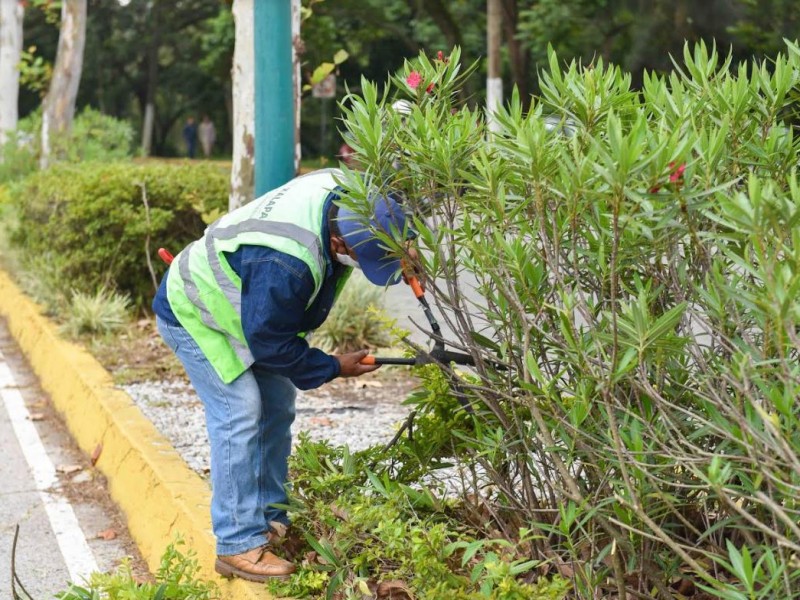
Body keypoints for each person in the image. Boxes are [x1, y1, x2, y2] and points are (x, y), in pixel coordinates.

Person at [152, 168, 415, 582]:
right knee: (239, 411)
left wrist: (403, 247)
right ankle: (237, 543)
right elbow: (272, 343)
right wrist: (332, 366)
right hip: (197, 313)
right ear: (337, 242)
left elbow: (271, 332)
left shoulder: (351, 195)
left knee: (277, 405)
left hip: (247, 311)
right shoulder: (286, 263)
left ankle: (272, 519)